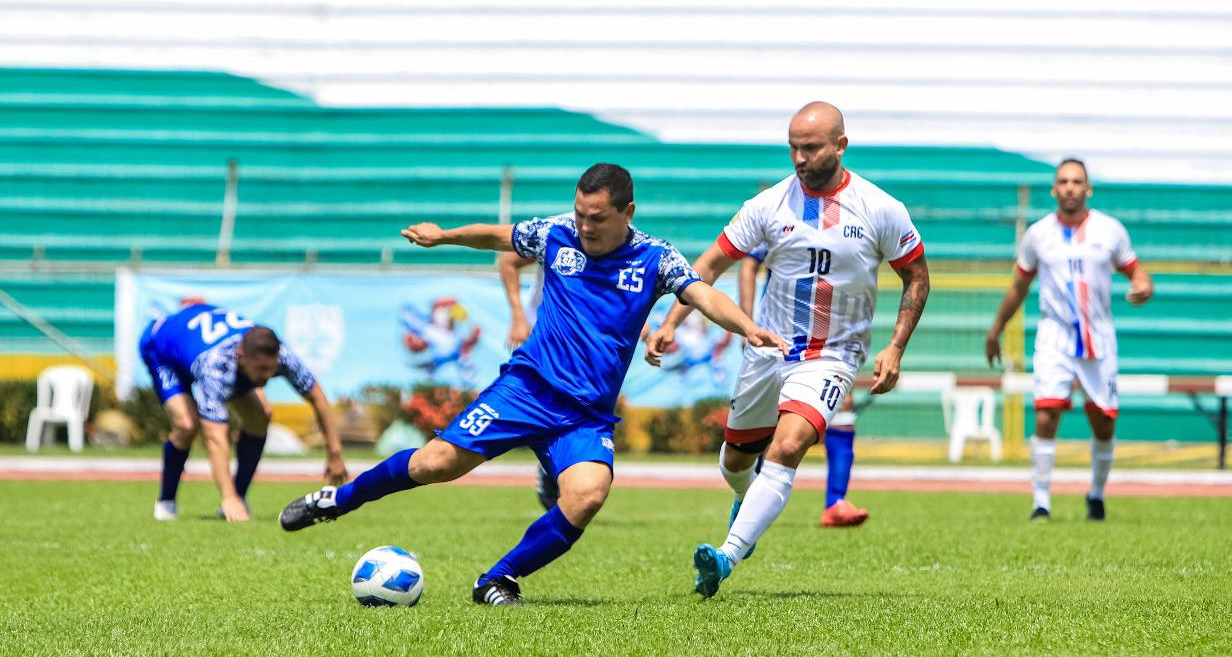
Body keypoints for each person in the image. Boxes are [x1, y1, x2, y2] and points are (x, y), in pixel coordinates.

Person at [279, 163, 789, 606]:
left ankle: (498, 579)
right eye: (580, 213)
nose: (585, 225)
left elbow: (702, 294)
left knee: (587, 495)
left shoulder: (655, 258)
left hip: (585, 416)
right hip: (526, 391)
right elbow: (497, 237)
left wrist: (747, 327)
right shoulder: (557, 234)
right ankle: (336, 501)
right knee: (435, 463)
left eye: (598, 217)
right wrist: (444, 236)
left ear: (627, 212)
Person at [646, 102, 930, 598]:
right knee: (735, 462)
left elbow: (917, 276)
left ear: (840, 146)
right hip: (768, 350)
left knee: (789, 444)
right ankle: (744, 499)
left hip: (833, 354)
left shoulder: (881, 207)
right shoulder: (768, 205)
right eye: (793, 147)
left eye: (811, 147)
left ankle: (726, 556)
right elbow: (709, 265)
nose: (800, 157)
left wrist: (895, 347)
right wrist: (672, 320)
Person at [985, 158, 1153, 522]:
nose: (1070, 188)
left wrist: (1143, 287)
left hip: (1098, 337)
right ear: (1054, 189)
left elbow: (1137, 273)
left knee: (1103, 422)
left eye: (1077, 181)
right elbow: (1019, 285)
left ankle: (1096, 494)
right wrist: (996, 329)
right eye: (1063, 181)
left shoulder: (1110, 230)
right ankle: (1041, 502)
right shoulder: (1038, 234)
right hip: (1055, 336)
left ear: (1088, 188)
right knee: (1046, 414)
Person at [139, 304, 347, 522]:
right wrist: (226, 497)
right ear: (241, 356)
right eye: (260, 370)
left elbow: (318, 399)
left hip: (196, 334)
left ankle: (240, 495)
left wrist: (335, 452)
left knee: (260, 416)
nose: (266, 377)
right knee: (187, 424)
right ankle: (166, 502)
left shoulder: (283, 356)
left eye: (271, 369)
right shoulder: (215, 367)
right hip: (162, 347)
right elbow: (215, 437)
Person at [739, 245, 868, 528]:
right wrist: (747, 324)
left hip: (829, 341)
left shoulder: (847, 214)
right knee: (768, 424)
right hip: (780, 337)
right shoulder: (780, 210)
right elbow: (749, 264)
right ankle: (750, 500)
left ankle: (835, 502)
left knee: (843, 410)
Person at [499, 246, 561, 510]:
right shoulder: (557, 234)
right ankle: (549, 466)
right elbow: (508, 262)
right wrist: (518, 315)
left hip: (584, 342)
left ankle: (553, 468)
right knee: (548, 406)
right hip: (543, 336)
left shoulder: (624, 242)